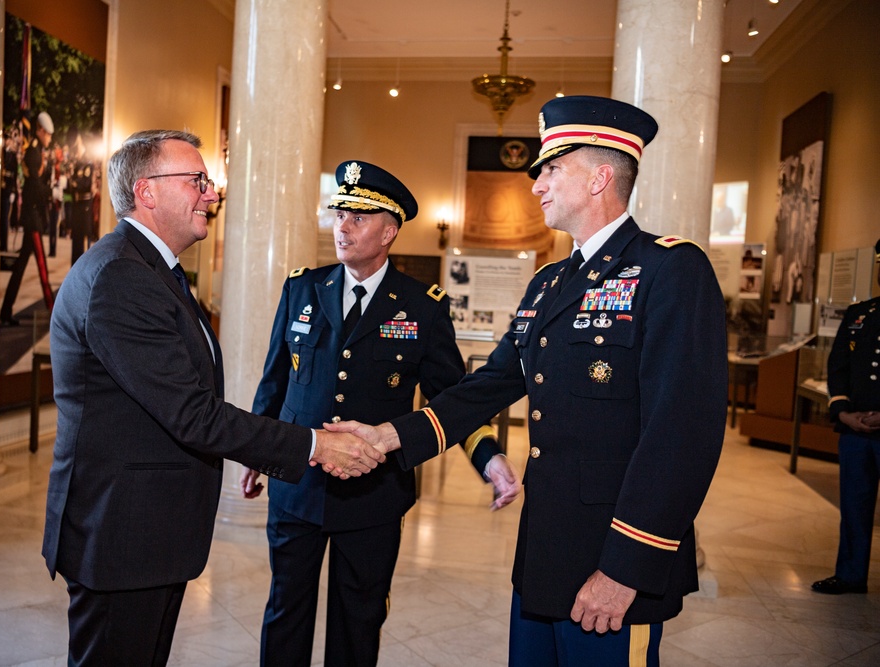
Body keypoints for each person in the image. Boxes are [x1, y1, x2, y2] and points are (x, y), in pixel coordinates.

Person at [328, 96, 728, 666]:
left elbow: (681, 436)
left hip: (615, 563)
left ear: (600, 177)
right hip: (545, 554)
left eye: (551, 169)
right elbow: (491, 383)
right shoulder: (549, 283)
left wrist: (624, 568)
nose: (537, 184)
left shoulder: (670, 270)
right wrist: (389, 436)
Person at [41, 130, 386, 666]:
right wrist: (315, 445)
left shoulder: (153, 271)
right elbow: (193, 414)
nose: (211, 193)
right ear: (146, 191)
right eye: (197, 181)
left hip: (148, 533)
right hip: (122, 534)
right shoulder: (120, 278)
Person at [241, 160, 522, 667]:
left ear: (389, 231)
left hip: (373, 495)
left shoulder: (423, 306)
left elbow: (451, 395)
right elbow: (275, 381)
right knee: (286, 609)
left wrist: (488, 457)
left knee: (359, 616)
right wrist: (256, 454)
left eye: (359, 218)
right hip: (297, 485)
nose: (341, 228)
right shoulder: (302, 287)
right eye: (338, 214)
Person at [812, 238, 880, 595]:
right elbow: (837, 367)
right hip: (855, 432)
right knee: (854, 507)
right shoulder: (859, 316)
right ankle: (851, 574)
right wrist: (844, 412)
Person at [0, 111, 54, 326]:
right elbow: (35, 188)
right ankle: (53, 311)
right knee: (41, 268)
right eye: (47, 134)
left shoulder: (37, 151)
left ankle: (5, 310)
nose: (49, 138)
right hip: (33, 218)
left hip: (34, 216)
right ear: (40, 131)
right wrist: (50, 193)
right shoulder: (33, 153)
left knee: (21, 267)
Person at [66, 134, 94, 265]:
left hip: (84, 205)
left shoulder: (87, 163)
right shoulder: (77, 164)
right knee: (75, 238)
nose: (76, 150)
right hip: (77, 204)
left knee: (83, 239)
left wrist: (75, 182)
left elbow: (85, 183)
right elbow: (71, 184)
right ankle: (73, 267)